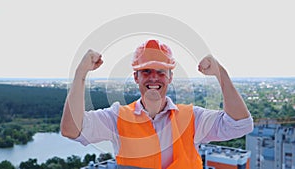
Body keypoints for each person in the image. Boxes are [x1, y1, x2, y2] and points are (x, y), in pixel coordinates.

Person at [60, 39, 253, 169]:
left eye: (161, 72)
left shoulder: (192, 118)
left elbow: (240, 124)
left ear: (170, 77)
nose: (154, 77)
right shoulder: (117, 117)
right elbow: (71, 130)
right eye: (146, 71)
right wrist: (81, 74)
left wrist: (221, 73)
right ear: (136, 77)